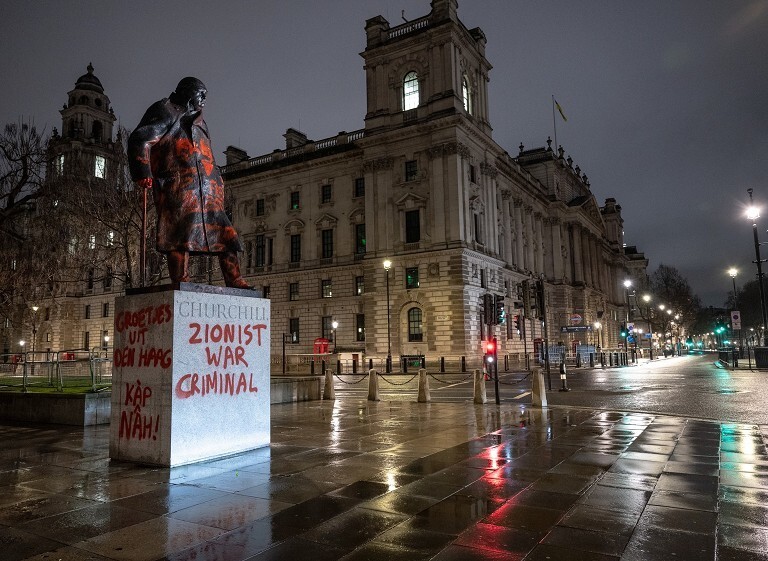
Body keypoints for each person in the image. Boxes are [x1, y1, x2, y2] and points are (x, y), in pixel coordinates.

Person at [128, 77, 249, 288]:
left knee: (226, 235)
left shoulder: (201, 122)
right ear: (187, 92)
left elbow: (207, 155)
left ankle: (235, 278)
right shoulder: (165, 110)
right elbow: (141, 139)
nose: (204, 99)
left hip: (208, 192)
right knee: (178, 236)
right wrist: (142, 170)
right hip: (178, 186)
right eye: (200, 94)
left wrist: (217, 183)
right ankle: (181, 280)